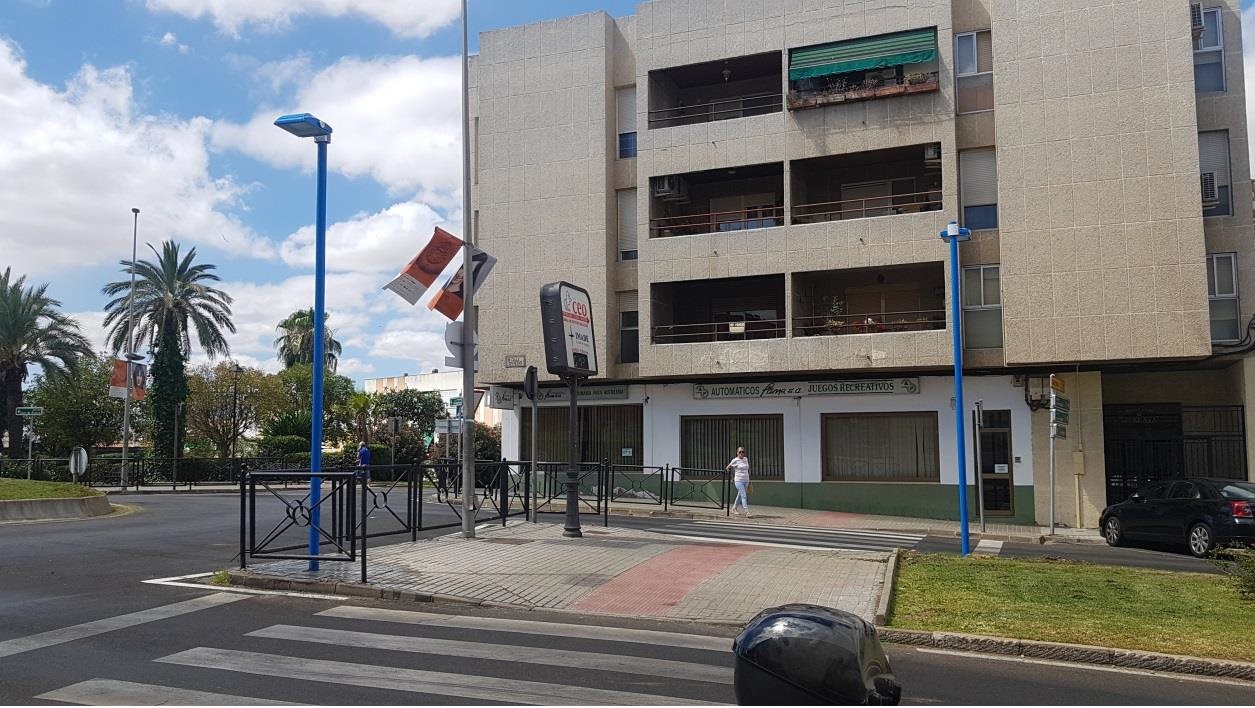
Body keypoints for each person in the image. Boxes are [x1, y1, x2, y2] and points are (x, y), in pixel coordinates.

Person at [727, 446, 750, 517]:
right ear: (737, 453)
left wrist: (750, 479)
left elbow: (747, 469)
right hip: (738, 480)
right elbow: (728, 468)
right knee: (744, 496)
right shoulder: (735, 460)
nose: (741, 453)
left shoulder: (746, 459)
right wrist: (731, 477)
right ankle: (747, 512)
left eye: (743, 452)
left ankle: (734, 508)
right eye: (740, 452)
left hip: (746, 480)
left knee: (740, 495)